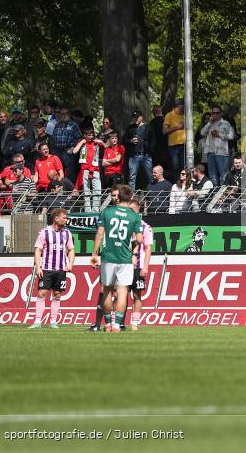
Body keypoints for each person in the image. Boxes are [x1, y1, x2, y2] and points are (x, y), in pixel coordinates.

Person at [89, 185, 143, 332]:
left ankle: (107, 324)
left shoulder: (107, 212)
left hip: (108, 256)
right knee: (122, 290)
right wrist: (131, 241)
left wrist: (94, 254)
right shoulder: (134, 216)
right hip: (125, 258)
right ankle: (117, 325)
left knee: (106, 289)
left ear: (118, 196)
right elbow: (140, 239)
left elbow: (100, 234)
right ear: (130, 197)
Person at [30, 208, 74, 329]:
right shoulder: (44, 232)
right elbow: (38, 250)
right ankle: (37, 321)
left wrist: (70, 263)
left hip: (61, 269)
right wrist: (38, 267)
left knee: (57, 294)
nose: (66, 220)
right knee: (42, 293)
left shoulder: (67, 233)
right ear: (56, 218)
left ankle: (53, 321)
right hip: (46, 268)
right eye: (64, 218)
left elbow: (71, 249)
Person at [127, 199, 152, 331]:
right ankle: (117, 322)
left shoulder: (145, 227)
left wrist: (145, 266)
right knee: (118, 294)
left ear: (137, 211)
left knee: (137, 295)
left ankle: (134, 323)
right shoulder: (123, 225)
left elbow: (148, 248)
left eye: (131, 210)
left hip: (138, 266)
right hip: (123, 264)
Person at [199, 105, 236, 186]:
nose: (215, 114)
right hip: (210, 152)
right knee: (212, 176)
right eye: (213, 113)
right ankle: (215, 193)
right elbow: (202, 133)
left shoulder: (226, 123)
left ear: (221, 113)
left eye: (217, 113)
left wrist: (219, 134)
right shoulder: (210, 123)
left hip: (221, 153)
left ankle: (223, 193)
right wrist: (209, 123)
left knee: (223, 176)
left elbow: (231, 136)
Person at [73, 129, 104, 213]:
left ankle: (95, 211)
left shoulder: (97, 143)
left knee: (97, 191)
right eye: (89, 135)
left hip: (95, 170)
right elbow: (74, 151)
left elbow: (107, 148)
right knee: (86, 193)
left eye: (92, 135)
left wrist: (101, 142)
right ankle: (87, 211)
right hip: (85, 170)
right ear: (85, 136)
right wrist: (81, 142)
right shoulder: (82, 144)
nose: (91, 137)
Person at [125, 110, 153, 190]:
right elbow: (124, 140)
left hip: (146, 155)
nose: (135, 119)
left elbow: (153, 141)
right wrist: (131, 140)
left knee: (150, 176)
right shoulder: (130, 128)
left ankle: (153, 194)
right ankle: (131, 195)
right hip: (134, 156)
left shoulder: (148, 127)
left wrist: (149, 152)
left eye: (137, 117)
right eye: (134, 117)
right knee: (132, 177)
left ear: (141, 118)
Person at [163, 98, 186, 178]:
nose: (184, 107)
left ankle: (182, 182)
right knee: (175, 166)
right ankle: (174, 183)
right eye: (183, 105)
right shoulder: (169, 115)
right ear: (179, 106)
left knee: (183, 166)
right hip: (173, 145)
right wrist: (177, 127)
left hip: (184, 145)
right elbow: (164, 131)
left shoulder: (184, 116)